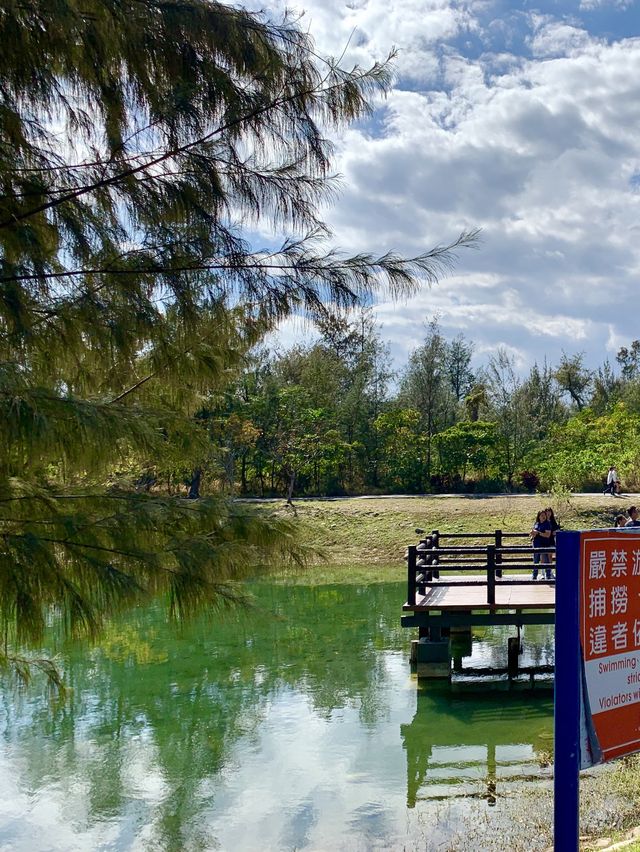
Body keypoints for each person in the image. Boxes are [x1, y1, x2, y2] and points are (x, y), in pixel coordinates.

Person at [531, 509, 553, 580]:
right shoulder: (536, 523)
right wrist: (533, 534)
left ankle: (548, 575)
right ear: (539, 516)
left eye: (544, 515)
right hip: (536, 545)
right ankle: (534, 576)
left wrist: (538, 533)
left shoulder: (547, 524)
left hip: (544, 545)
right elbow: (533, 533)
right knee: (535, 561)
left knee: (546, 561)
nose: (543, 517)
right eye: (542, 515)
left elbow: (547, 535)